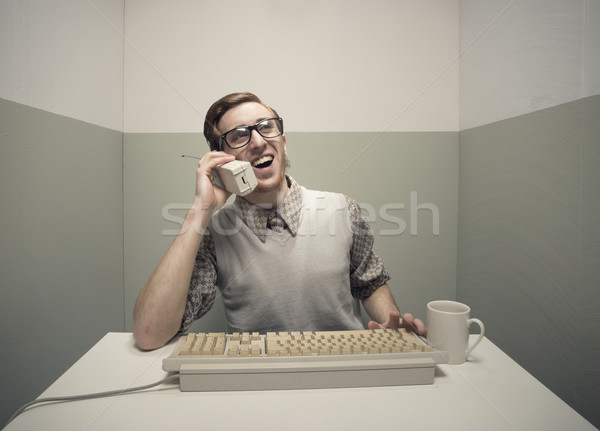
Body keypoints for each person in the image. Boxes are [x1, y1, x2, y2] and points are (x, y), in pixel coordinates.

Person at [133, 92, 426, 350]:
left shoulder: (343, 208)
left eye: (265, 128)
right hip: (258, 389)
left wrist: (392, 328)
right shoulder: (213, 234)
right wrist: (200, 209)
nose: (259, 142)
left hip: (344, 376)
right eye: (239, 135)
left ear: (283, 143)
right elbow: (149, 334)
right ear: (222, 161)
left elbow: (369, 284)